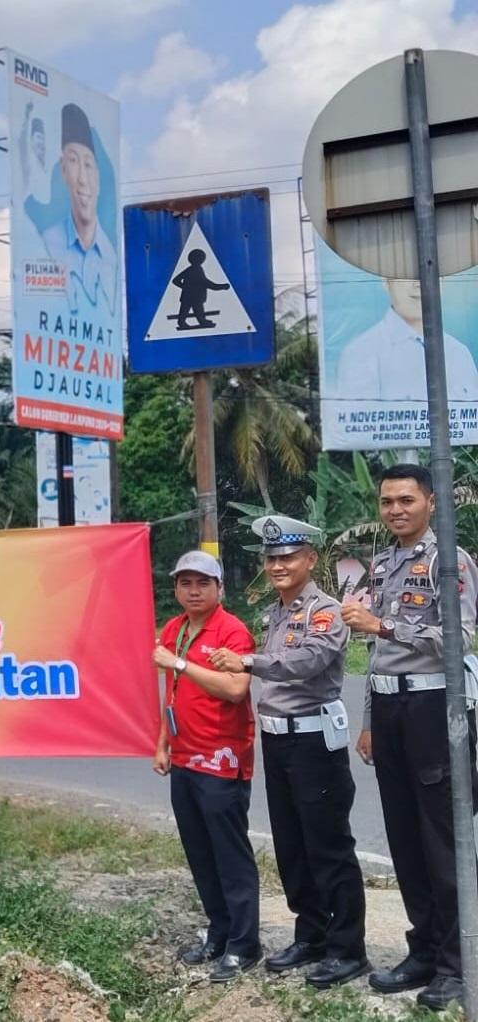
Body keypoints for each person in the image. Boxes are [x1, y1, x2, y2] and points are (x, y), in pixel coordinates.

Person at [209, 515, 368, 988]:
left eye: (288, 557)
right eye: (272, 558)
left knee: (328, 846)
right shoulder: (275, 612)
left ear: (311, 559)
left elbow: (307, 662)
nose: (278, 565)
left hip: (313, 741)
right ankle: (311, 934)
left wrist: (247, 661)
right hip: (278, 741)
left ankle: (347, 949)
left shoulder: (325, 610)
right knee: (292, 845)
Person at [342, 463, 478, 1011]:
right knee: (403, 836)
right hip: (390, 707)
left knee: (440, 840)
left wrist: (385, 625)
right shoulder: (381, 564)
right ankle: (423, 950)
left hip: (431, 707)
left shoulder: (451, 560)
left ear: (431, 503)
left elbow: (460, 635)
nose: (395, 510)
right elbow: (376, 654)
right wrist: (370, 719)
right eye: (386, 502)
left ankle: (458, 964)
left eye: (406, 500)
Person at [149, 550, 262, 982]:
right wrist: (163, 744)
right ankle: (219, 932)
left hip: (221, 760)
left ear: (219, 588)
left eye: (203, 583)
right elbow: (172, 693)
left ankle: (244, 944)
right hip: (184, 758)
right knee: (199, 852)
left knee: (229, 855)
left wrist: (180, 663)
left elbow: (235, 689)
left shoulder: (231, 630)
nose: (193, 591)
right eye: (185, 583)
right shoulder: (174, 628)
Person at [334, 277, 478, 403]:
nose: (419, 283)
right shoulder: (361, 353)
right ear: (386, 280)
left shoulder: (460, 353)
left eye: (430, 272)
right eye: (407, 274)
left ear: (442, 282)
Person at [39, 102, 117, 320]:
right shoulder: (45, 244)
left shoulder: (110, 257)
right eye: (73, 161)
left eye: (88, 165)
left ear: (98, 176)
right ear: (63, 169)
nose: (83, 179)